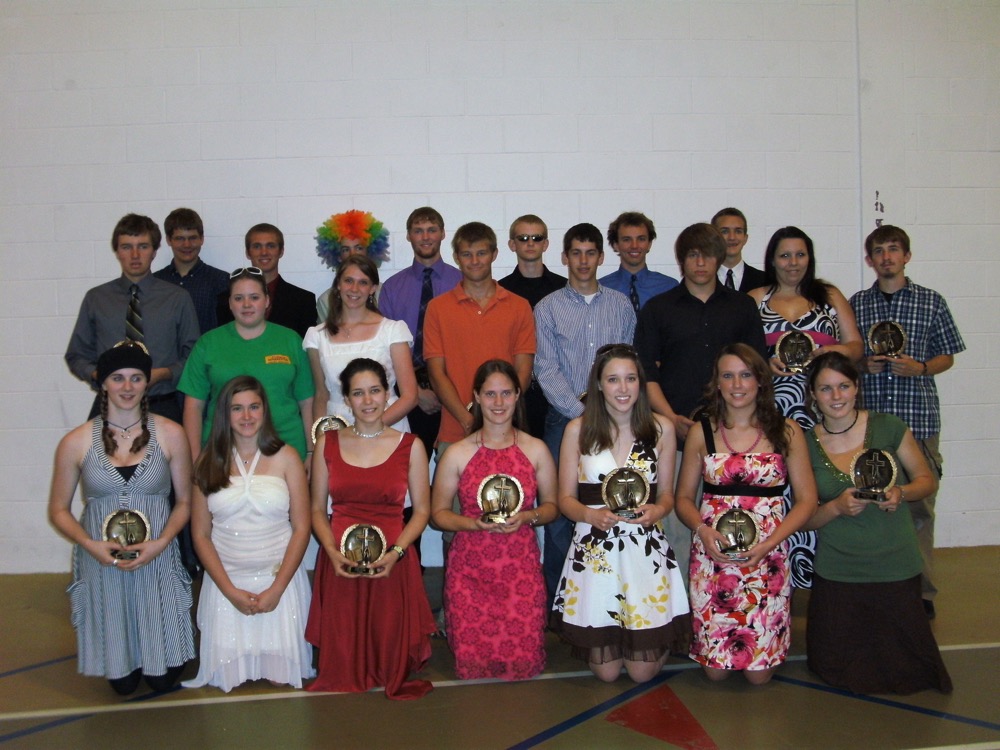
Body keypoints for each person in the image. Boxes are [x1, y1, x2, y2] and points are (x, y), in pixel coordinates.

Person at [47, 341, 195, 694]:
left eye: (136, 378)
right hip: (104, 562)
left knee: (161, 680)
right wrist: (90, 545)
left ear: (147, 383)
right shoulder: (76, 441)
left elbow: (185, 501)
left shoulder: (171, 434)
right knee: (124, 685)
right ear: (103, 383)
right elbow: (58, 510)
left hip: (156, 558)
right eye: (118, 378)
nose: (127, 387)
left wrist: (162, 542)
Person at [802, 352, 952, 694]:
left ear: (857, 387)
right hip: (839, 569)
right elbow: (805, 520)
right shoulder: (805, 444)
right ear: (813, 394)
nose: (836, 396)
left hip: (895, 563)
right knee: (835, 669)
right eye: (825, 388)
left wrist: (901, 492)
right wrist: (836, 507)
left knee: (908, 669)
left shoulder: (889, 426)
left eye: (843, 386)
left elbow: (926, 481)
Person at [674, 344, 817, 685]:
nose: (737, 385)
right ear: (717, 383)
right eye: (728, 376)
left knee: (759, 678)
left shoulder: (787, 431)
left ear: (760, 381)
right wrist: (702, 531)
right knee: (715, 674)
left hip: (767, 556)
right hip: (714, 558)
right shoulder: (702, 432)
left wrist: (771, 543)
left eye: (746, 375)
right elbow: (683, 499)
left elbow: (807, 500)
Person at [634, 224, 766, 580]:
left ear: (719, 258)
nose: (701, 263)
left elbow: (757, 370)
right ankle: (681, 603)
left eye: (707, 255)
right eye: (693, 255)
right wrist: (670, 419)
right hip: (678, 435)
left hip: (735, 438)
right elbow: (647, 375)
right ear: (682, 260)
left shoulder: (742, 307)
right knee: (679, 527)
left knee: (735, 520)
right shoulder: (658, 309)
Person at [551, 344, 688, 683]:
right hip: (595, 551)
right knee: (607, 673)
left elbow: (667, 495)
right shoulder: (577, 430)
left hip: (644, 550)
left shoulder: (661, 429)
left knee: (641, 673)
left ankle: (655, 630)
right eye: (613, 379)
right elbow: (564, 499)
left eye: (631, 379)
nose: (623, 388)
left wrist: (658, 509)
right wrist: (588, 515)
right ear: (599, 384)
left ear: (641, 383)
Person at [850, 225, 965, 619]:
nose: (887, 257)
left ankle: (922, 593)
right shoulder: (857, 305)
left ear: (906, 256)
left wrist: (922, 367)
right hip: (869, 426)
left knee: (919, 511)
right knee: (869, 507)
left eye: (893, 249)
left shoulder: (931, 302)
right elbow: (848, 357)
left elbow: (948, 354)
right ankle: (876, 588)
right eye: (879, 251)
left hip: (918, 422)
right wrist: (861, 365)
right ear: (870, 260)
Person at [306, 358, 436, 699]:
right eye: (358, 393)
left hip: (392, 560)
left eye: (375, 391)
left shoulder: (411, 445)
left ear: (388, 394)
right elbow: (317, 509)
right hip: (340, 560)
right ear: (347, 399)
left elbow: (422, 511)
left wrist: (396, 553)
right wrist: (331, 553)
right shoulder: (327, 444)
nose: (368, 401)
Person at [183, 376, 314, 692]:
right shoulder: (207, 461)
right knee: (227, 678)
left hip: (277, 583)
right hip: (228, 584)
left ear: (264, 410)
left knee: (281, 678)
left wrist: (277, 589)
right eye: (236, 408)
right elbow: (200, 535)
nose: (246, 416)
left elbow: (302, 527)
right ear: (224, 414)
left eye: (254, 407)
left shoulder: (287, 458)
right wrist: (229, 591)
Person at [431, 360, 558, 680]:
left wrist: (528, 516)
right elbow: (438, 515)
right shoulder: (456, 453)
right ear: (476, 396)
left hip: (520, 572)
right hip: (470, 572)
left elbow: (552, 508)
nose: (498, 402)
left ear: (517, 395)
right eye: (490, 394)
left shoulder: (537, 450)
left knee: (523, 670)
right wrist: (473, 524)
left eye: (506, 393)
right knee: (474, 673)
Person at [533, 223, 635, 608]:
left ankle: (609, 596)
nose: (583, 260)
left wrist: (609, 413)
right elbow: (545, 368)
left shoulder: (620, 306)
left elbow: (628, 362)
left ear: (601, 257)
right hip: (564, 422)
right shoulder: (547, 308)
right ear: (564, 257)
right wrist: (582, 415)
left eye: (590, 253)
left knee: (611, 502)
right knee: (562, 510)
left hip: (618, 422)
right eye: (575, 253)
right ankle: (561, 604)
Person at [65, 213, 199, 422]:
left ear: (154, 251)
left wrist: (164, 373)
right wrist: (101, 374)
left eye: (143, 246)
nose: (135, 255)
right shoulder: (96, 298)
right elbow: (76, 355)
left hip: (161, 404)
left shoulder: (177, 298)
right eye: (127, 247)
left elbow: (193, 356)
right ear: (117, 251)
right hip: (109, 405)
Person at [180, 267, 314, 462]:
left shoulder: (291, 340)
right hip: (222, 452)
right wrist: (194, 457)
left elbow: (307, 402)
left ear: (267, 301)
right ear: (229, 303)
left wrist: (311, 452)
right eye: (238, 298)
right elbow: (194, 406)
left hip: (286, 450)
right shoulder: (207, 344)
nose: (246, 304)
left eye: (254, 297)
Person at [423, 222, 536, 448]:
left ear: (494, 254)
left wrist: (496, 419)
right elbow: (436, 374)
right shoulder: (437, 308)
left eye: (481, 253)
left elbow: (523, 372)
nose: (474, 261)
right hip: (455, 433)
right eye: (467, 254)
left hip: (507, 432)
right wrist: (468, 421)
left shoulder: (519, 306)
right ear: (456, 257)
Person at [748, 226, 863, 428]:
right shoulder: (756, 299)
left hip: (825, 404)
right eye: (785, 255)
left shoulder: (830, 296)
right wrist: (763, 366)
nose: (793, 262)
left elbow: (856, 346)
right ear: (772, 260)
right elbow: (740, 356)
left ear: (810, 258)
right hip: (768, 405)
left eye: (800, 255)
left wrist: (837, 351)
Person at [379, 207, 462, 456]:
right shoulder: (392, 288)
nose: (425, 237)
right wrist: (415, 392)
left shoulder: (462, 283)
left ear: (443, 234)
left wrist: (445, 391)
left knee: (455, 467)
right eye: (418, 231)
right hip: (406, 394)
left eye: (431, 230)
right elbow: (383, 350)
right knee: (407, 467)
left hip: (456, 393)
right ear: (408, 236)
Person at [303, 256, 416, 430]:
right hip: (338, 429)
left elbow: (410, 396)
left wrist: (367, 429)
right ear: (338, 284)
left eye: (363, 282)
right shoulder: (316, 336)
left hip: (387, 427)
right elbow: (321, 395)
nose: (354, 289)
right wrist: (320, 438)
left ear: (373, 288)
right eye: (348, 281)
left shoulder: (393, 330)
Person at [498, 214, 567, 440]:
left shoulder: (564, 288)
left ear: (546, 244)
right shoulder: (500, 291)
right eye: (523, 238)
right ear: (512, 244)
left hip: (559, 390)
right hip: (517, 390)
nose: (530, 243)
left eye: (537, 238)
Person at [217, 224, 317, 339]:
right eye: (257, 246)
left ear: (281, 251)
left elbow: (307, 346)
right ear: (248, 253)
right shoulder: (225, 301)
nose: (264, 252)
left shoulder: (304, 301)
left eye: (270, 246)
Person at [154, 207, 229, 334]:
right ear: (168, 240)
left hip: (207, 347)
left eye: (192, 238)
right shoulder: (156, 282)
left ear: (202, 239)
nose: (187, 245)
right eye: (180, 238)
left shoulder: (221, 281)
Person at [314, 210, 391, 321]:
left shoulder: (387, 293)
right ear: (338, 256)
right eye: (345, 249)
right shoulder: (326, 301)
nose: (353, 254)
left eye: (359, 248)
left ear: (369, 251)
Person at [599, 211, 678, 314]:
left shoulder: (669, 287)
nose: (634, 246)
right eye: (627, 239)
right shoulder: (601, 289)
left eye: (641, 239)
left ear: (649, 244)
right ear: (615, 245)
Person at [711, 207, 765, 292]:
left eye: (738, 231)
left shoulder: (764, 281)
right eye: (725, 231)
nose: (732, 237)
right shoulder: (702, 279)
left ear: (745, 238)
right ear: (714, 238)